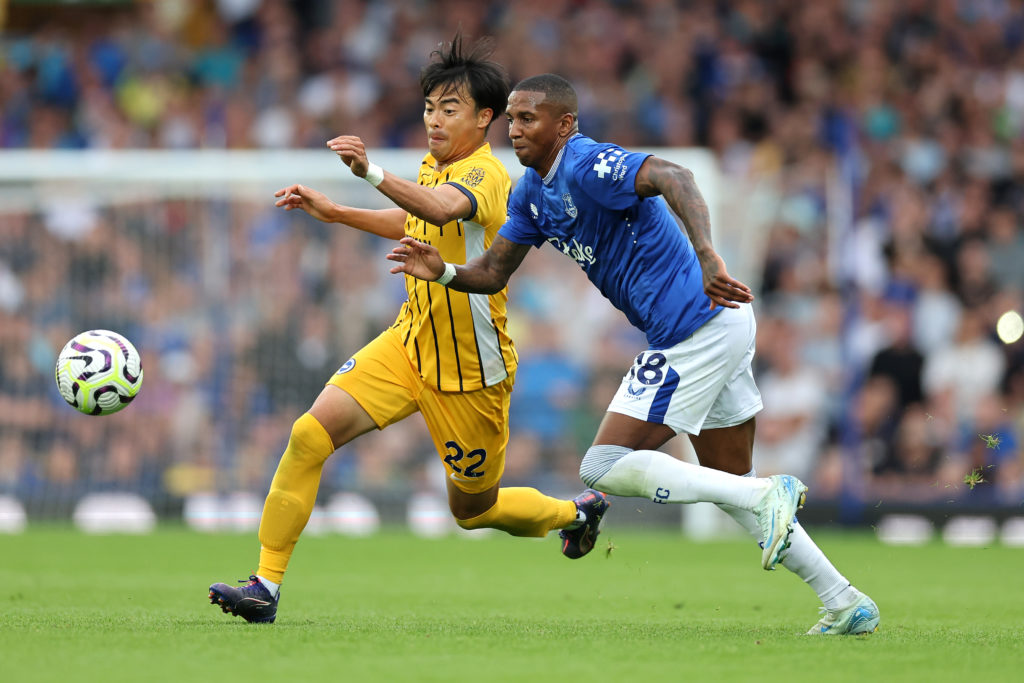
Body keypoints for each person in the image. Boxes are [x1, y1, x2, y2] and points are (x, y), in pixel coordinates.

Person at [388, 73, 880, 636]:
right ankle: (844, 600)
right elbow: (494, 271)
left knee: (600, 466)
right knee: (728, 482)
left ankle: (771, 492)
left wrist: (708, 256)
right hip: (716, 327)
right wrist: (444, 270)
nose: (515, 129)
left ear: (564, 124)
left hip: (693, 327)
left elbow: (675, 174)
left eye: (529, 119)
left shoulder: (586, 163)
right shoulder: (529, 192)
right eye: (512, 119)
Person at [208, 39, 611, 625]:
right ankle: (265, 587)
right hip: (407, 343)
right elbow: (416, 212)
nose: (434, 119)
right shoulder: (433, 166)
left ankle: (575, 514)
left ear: (483, 118)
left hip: (470, 373)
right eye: (428, 107)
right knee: (307, 436)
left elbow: (445, 209)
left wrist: (369, 171)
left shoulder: (491, 176)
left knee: (474, 511)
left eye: (449, 108)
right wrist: (338, 212)